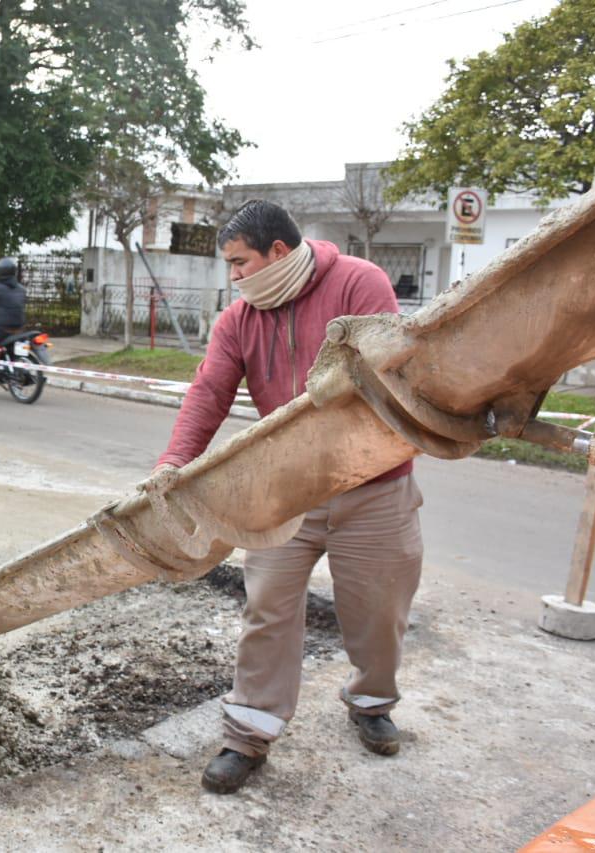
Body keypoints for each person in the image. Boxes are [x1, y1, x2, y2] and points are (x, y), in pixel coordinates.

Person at [154, 200, 424, 795]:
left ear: (278, 251)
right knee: (267, 609)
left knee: (379, 611)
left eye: (240, 262)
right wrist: (174, 463)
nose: (234, 276)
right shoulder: (239, 320)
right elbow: (209, 392)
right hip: (286, 492)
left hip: (374, 486)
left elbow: (386, 370)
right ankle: (249, 732)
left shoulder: (359, 283)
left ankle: (372, 701)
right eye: (229, 266)